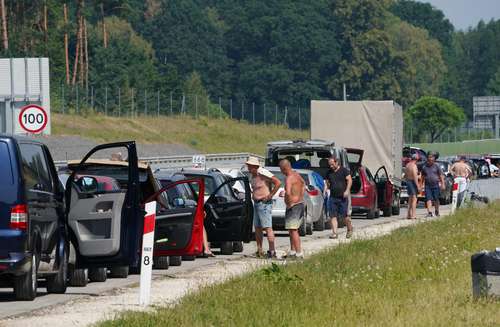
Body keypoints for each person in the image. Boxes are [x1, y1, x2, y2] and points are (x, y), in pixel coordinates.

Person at [246, 156, 281, 258]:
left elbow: (278, 182)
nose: (248, 168)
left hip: (264, 204)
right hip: (256, 203)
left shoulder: (263, 173)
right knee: (257, 228)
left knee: (267, 227)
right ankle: (259, 250)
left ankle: (272, 251)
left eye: (249, 166)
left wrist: (270, 195)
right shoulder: (252, 176)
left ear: (254, 166)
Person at [279, 159, 305, 259]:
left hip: (293, 206)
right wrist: (300, 197)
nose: (281, 172)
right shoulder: (297, 175)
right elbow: (303, 184)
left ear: (284, 168)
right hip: (300, 204)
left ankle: (299, 253)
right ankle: (293, 251)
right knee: (291, 229)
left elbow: (288, 192)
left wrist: (289, 201)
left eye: (281, 170)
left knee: (293, 230)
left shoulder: (289, 178)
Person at [325, 157, 353, 239]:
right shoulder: (329, 172)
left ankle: (349, 229)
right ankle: (334, 233)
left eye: (332, 164)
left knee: (345, 216)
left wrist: (347, 190)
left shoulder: (344, 170)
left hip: (343, 197)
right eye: (330, 165)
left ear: (337, 163)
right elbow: (327, 183)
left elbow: (350, 180)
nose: (331, 166)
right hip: (333, 197)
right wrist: (326, 189)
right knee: (332, 215)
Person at [421, 153, 445, 217]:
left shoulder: (437, 166)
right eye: (429, 158)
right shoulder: (424, 167)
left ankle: (437, 211)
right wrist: (420, 185)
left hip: (435, 185)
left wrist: (443, 184)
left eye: (432, 158)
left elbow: (441, 175)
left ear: (434, 159)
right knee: (428, 199)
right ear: (427, 159)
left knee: (436, 199)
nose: (430, 159)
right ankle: (429, 212)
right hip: (427, 185)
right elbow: (422, 177)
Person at [405, 153, 421, 219]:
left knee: (410, 199)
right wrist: (418, 186)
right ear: (416, 159)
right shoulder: (414, 166)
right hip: (413, 182)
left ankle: (408, 214)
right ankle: (413, 215)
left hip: (408, 181)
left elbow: (405, 175)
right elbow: (415, 176)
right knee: (414, 199)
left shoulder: (407, 165)